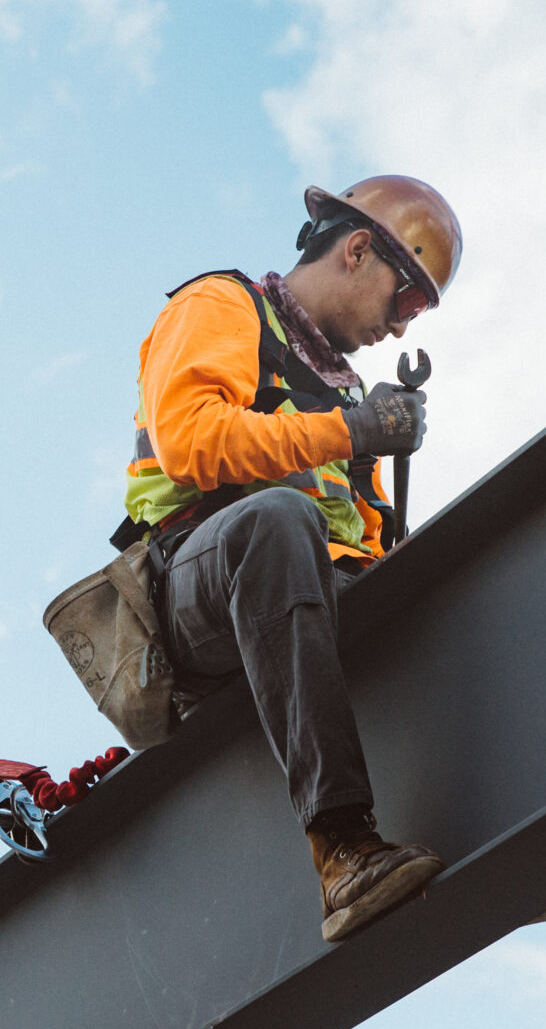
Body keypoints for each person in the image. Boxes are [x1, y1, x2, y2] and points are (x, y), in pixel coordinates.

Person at [118, 175, 460, 942]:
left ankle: (513, 798)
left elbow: (359, 537)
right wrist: (356, 431)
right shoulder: (220, 306)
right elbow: (192, 440)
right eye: (406, 299)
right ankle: (340, 847)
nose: (400, 325)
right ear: (358, 250)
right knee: (277, 519)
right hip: (199, 590)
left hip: (297, 597)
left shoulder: (345, 391)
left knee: (438, 570)